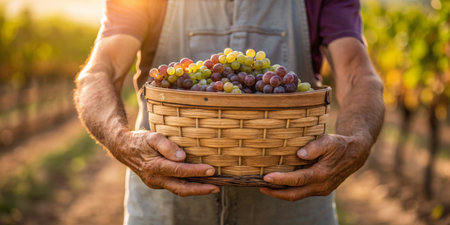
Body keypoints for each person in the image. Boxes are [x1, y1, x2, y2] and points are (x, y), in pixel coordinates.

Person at [74, 0, 384, 224]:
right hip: (167, 213)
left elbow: (357, 73)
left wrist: (358, 141)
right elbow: (101, 71)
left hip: (292, 211)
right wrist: (121, 141)